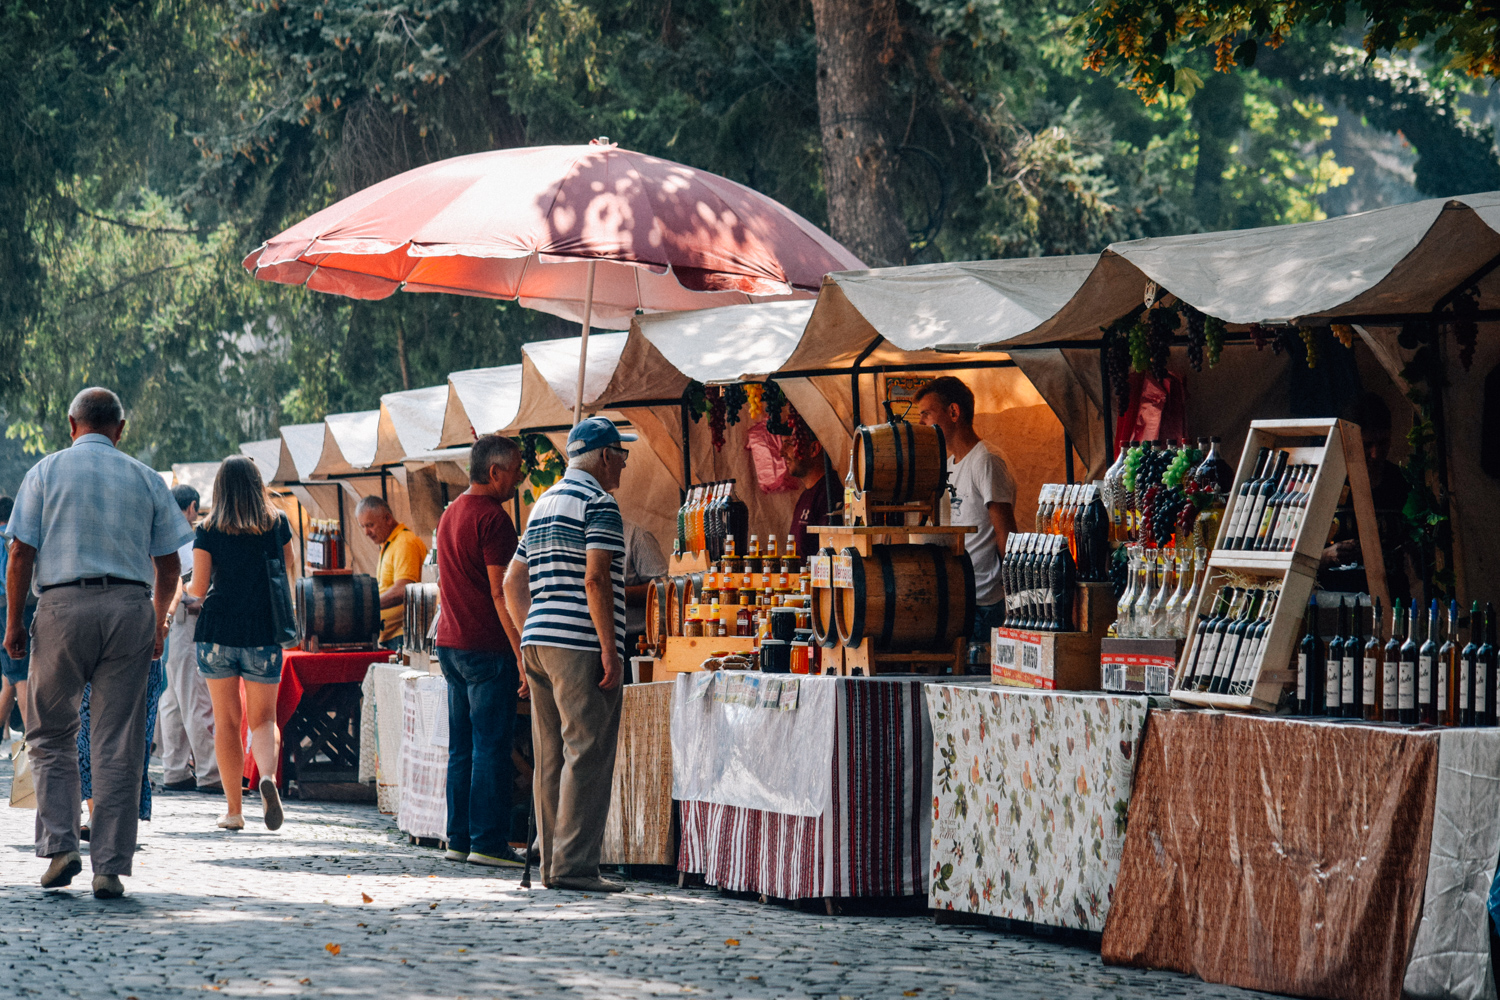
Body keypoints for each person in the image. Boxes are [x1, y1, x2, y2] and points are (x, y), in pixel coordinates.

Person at [4, 387, 192, 899]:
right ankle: (109, 867)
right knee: (119, 742)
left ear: (71, 425)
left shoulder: (44, 472)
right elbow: (170, 564)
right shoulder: (145, 477)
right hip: (130, 609)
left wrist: (15, 624)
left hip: (62, 607)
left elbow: (20, 552)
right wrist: (156, 623)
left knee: (50, 733)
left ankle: (62, 845)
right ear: (120, 429)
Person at [504, 415, 632, 893]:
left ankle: (551, 865)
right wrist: (609, 649)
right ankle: (574, 867)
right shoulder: (600, 503)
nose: (623, 465)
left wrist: (525, 639)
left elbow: (512, 582)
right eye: (621, 455)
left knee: (550, 754)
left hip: (537, 639)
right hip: (578, 642)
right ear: (604, 456)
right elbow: (596, 578)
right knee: (587, 751)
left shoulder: (542, 505)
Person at [186, 456, 294, 833]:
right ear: (257, 483)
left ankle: (234, 811)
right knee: (264, 719)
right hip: (264, 631)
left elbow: (198, 590)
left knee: (227, 722)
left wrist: (180, 591)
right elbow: (289, 577)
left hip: (217, 632)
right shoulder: (277, 524)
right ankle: (267, 778)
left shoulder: (208, 528)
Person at [435, 434, 528, 869]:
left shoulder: (450, 513)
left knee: (462, 746)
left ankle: (458, 837)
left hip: (451, 644)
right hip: (486, 647)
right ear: (494, 472)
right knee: (491, 746)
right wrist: (522, 653)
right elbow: (501, 592)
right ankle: (488, 843)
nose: (521, 478)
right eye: (516, 470)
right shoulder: (494, 519)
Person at [914, 376, 1018, 639]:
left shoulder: (986, 460)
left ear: (953, 412)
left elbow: (1007, 536)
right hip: (957, 598)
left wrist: (1016, 600)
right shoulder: (949, 464)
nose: (921, 423)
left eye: (926, 414)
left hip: (985, 601)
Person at [156, 484, 221, 793]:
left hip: (167, 620)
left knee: (172, 699)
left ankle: (175, 769)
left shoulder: (161, 531)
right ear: (192, 506)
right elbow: (195, 589)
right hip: (186, 619)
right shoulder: (190, 539)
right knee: (195, 697)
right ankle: (210, 772)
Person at [1319, 392, 1412, 600]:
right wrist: (1326, 556)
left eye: (1383, 443)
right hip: (1335, 602)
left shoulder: (1401, 482)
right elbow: (1290, 557)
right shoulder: (1326, 483)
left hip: (1393, 600)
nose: (1376, 454)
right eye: (1367, 444)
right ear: (1347, 441)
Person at [356, 496, 427, 651]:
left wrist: (368, 607)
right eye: (362, 526)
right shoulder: (389, 544)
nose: (366, 532)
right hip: (391, 635)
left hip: (403, 635)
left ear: (387, 518)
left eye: (370, 525)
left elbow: (404, 589)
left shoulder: (404, 543)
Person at [0, 496, 36, 743]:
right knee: (20, 672)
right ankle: (32, 736)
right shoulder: (12, 538)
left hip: (2, 608)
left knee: (10, 673)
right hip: (15, 607)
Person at [780, 432, 833, 558]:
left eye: (789, 443)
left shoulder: (830, 493)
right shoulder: (805, 495)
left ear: (813, 449)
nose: (781, 452)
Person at [622, 521, 668, 656]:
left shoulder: (636, 537)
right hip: (587, 641)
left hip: (634, 641)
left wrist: (617, 595)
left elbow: (663, 589)